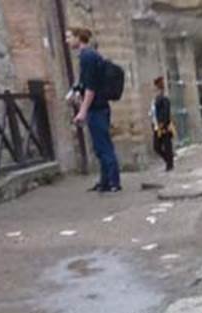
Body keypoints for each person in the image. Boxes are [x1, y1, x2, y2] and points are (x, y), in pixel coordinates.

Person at [66, 27, 121, 193]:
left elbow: (91, 88)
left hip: (97, 107)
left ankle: (113, 182)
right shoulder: (90, 56)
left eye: (69, 37)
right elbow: (84, 83)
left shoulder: (87, 57)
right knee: (100, 146)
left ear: (78, 38)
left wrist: (82, 111)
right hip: (98, 106)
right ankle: (105, 181)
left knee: (103, 146)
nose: (67, 40)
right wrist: (74, 92)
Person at [150, 76, 174, 172]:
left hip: (163, 126)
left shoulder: (163, 98)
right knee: (156, 146)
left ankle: (169, 164)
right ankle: (169, 161)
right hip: (156, 125)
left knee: (166, 145)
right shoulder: (156, 99)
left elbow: (166, 112)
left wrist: (163, 124)